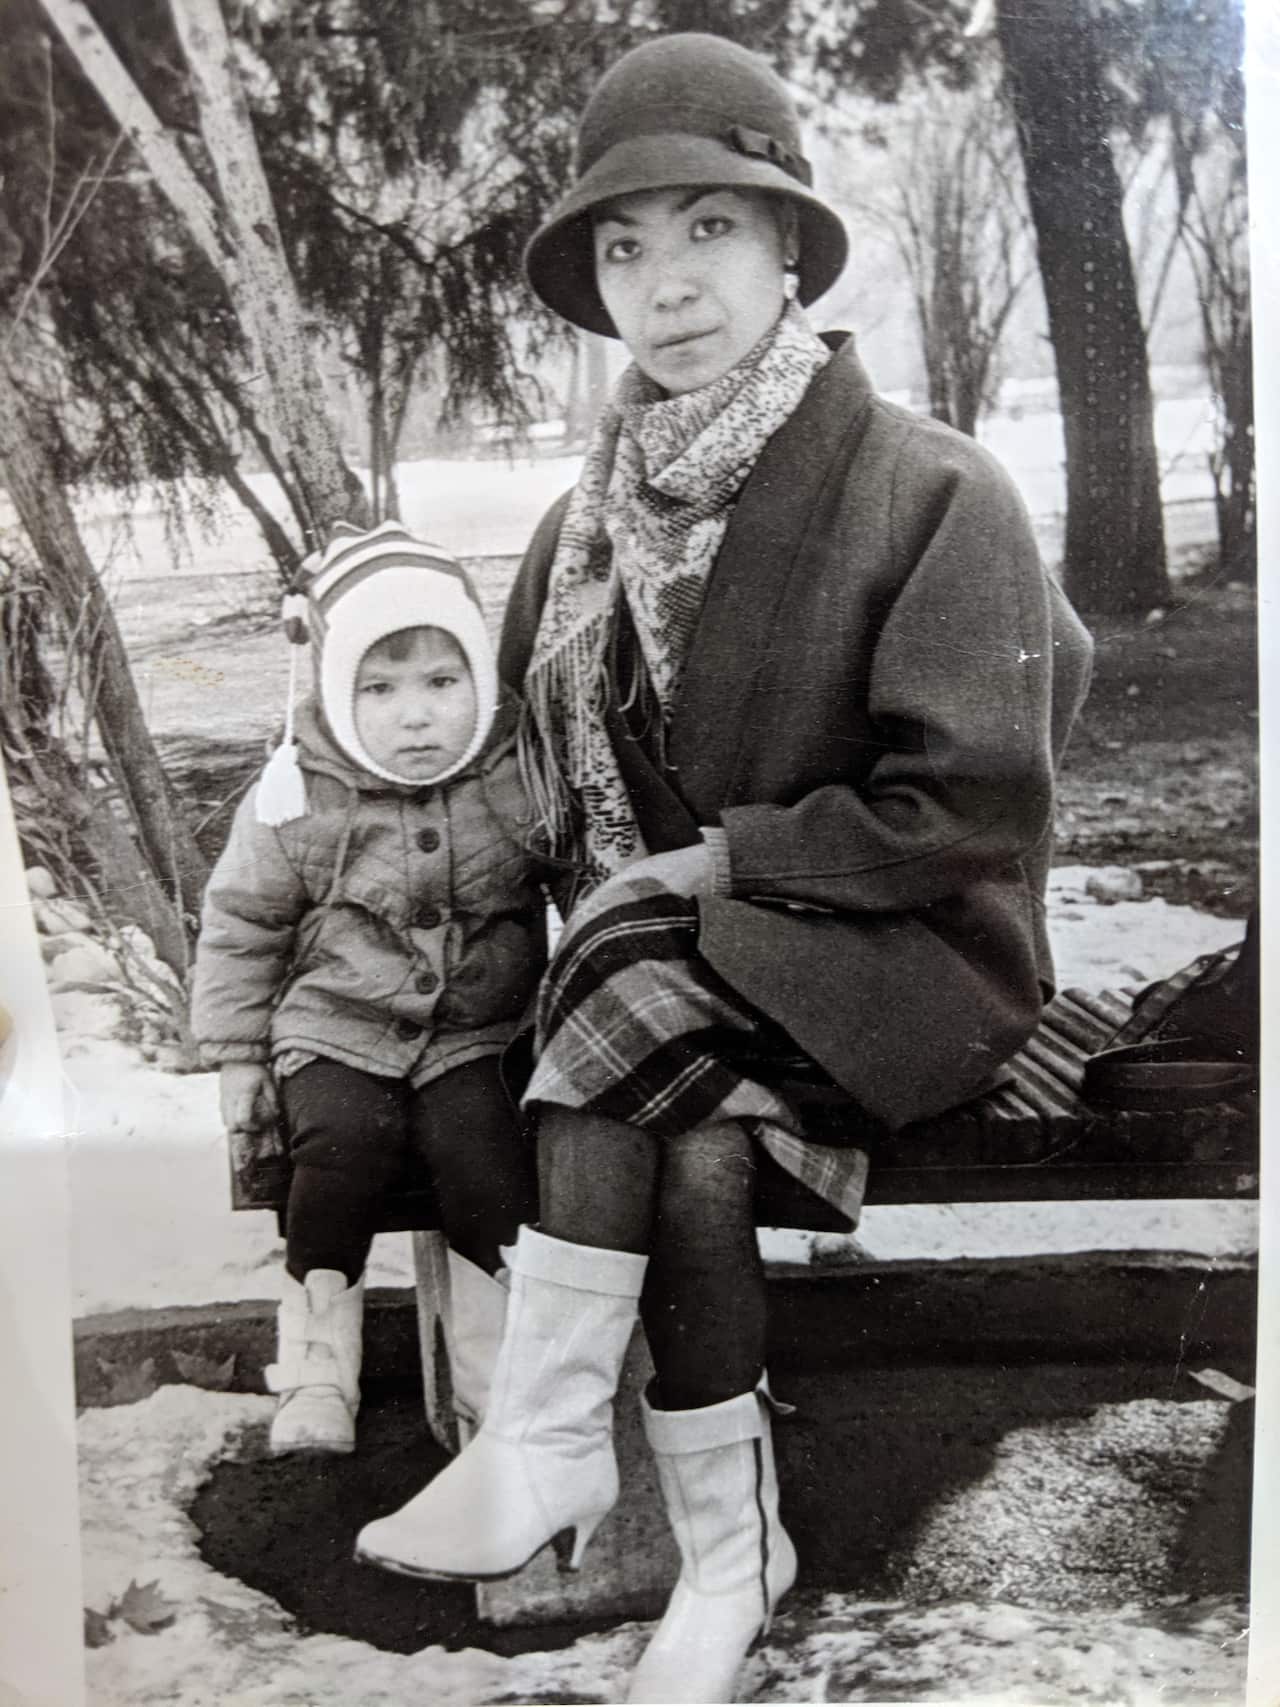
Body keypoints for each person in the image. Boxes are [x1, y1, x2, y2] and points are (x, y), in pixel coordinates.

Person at [355, 32, 1094, 1704]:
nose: (665, 284)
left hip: (905, 957)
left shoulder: (931, 487)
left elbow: (974, 806)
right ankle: (728, 1553)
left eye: (706, 231)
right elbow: (533, 803)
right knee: (671, 1123)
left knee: (620, 954)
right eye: (626, 247)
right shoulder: (578, 526)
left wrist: (711, 869)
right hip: (674, 1009)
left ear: (785, 249)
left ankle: (549, 1442)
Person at [191, 520, 541, 1458]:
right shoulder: (299, 791)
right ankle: (316, 1361)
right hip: (335, 1025)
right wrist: (235, 1056)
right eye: (378, 689)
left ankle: (494, 1381)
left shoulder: (515, 774)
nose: (415, 715)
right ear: (339, 697)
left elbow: (570, 875)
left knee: (485, 1162)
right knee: (341, 1147)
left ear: (480, 677)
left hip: (474, 1029)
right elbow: (242, 923)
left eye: (441, 680)